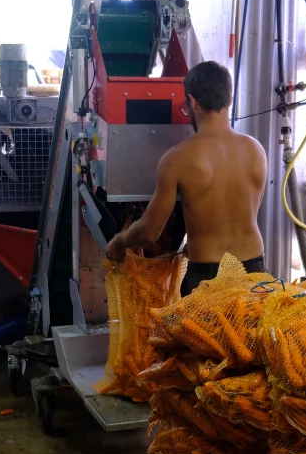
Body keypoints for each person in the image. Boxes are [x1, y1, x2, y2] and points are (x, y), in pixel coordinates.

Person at [105, 60, 269, 297]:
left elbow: (150, 232)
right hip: (255, 274)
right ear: (228, 99)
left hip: (209, 281)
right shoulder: (256, 150)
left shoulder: (177, 158)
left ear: (192, 102)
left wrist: (120, 241)